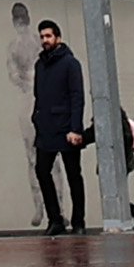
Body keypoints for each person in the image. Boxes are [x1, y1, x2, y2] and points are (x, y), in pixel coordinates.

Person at [31, 22, 91, 233]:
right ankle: (55, 219)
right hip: (46, 128)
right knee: (41, 170)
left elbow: (77, 97)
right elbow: (38, 95)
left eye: (48, 36)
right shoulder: (40, 65)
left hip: (66, 128)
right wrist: (36, 118)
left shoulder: (70, 64)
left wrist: (75, 129)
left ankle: (78, 222)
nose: (45, 40)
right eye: (42, 36)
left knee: (73, 175)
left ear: (58, 37)